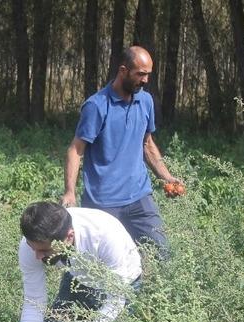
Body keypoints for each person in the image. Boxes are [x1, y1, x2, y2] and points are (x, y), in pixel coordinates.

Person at [60, 46, 181, 258]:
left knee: (163, 254)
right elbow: (75, 150)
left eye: (148, 75)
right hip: (102, 203)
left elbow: (147, 143)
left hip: (139, 197)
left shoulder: (145, 101)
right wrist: (69, 192)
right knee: (97, 264)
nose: (145, 80)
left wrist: (167, 177)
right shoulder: (97, 106)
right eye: (140, 74)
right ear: (123, 71)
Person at [11, 202, 142, 322]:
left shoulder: (104, 235)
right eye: (34, 249)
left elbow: (116, 299)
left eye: (44, 251)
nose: (38, 257)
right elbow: (34, 302)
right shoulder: (31, 245)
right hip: (78, 282)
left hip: (122, 287)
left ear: (69, 237)